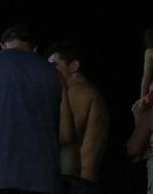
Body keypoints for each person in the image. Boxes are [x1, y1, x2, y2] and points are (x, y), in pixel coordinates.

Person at [0, 24, 74, 194]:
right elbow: (66, 134)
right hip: (45, 179)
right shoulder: (56, 75)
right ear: (34, 48)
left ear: (2, 45)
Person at [47, 41, 109, 192]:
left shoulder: (78, 90)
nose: (49, 71)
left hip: (78, 182)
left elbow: (66, 134)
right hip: (81, 182)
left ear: (74, 66)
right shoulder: (85, 90)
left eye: (54, 65)